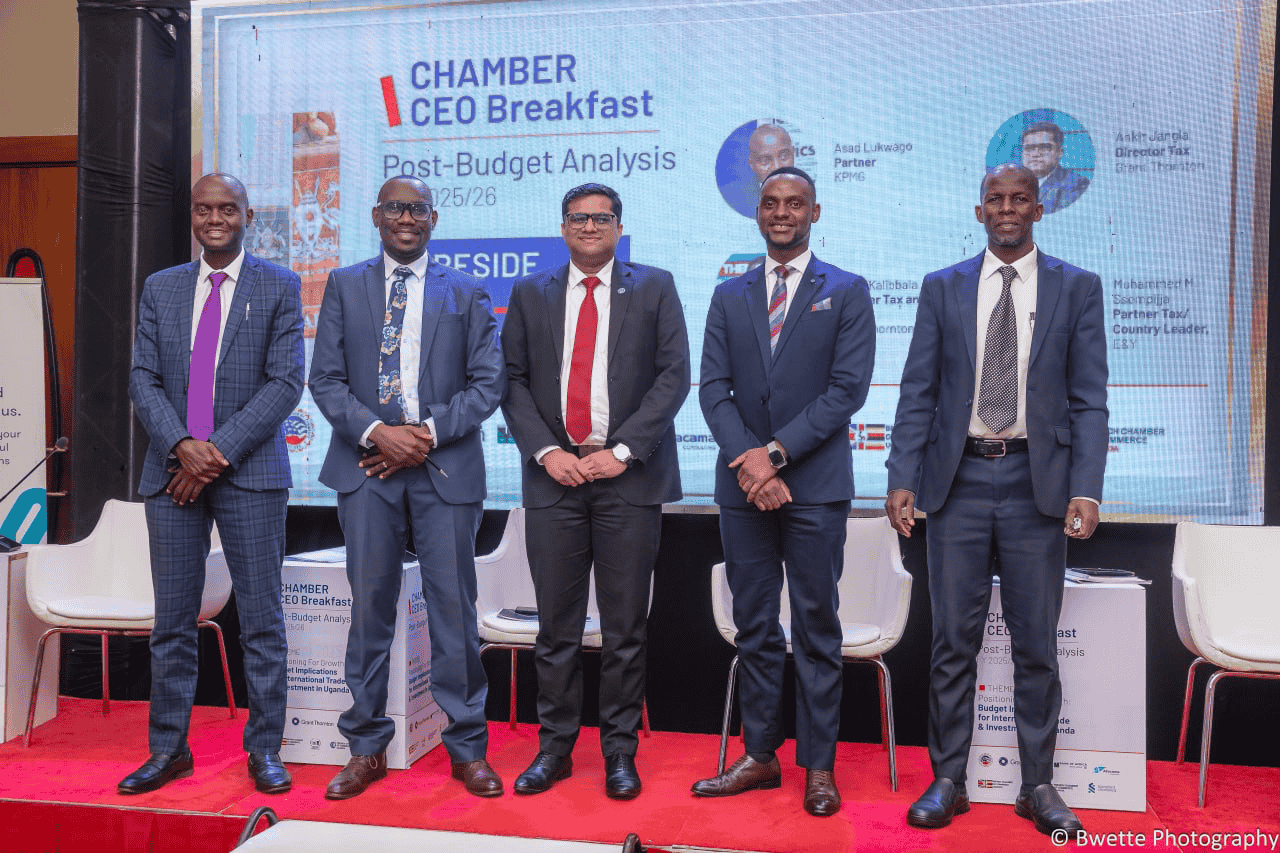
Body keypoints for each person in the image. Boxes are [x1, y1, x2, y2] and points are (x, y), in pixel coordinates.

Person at [885, 163, 1107, 835]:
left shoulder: (1078, 287)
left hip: (1037, 485)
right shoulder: (942, 287)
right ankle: (948, 780)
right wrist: (902, 475)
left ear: (1039, 209)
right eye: (995, 199)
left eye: (1019, 199)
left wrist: (1086, 487)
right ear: (979, 210)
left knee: (1036, 645)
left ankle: (1036, 785)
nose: (1006, 208)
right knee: (952, 642)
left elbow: (1089, 400)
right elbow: (918, 391)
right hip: (956, 483)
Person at [309, 176, 506, 799]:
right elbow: (326, 379)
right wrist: (378, 433)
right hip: (366, 469)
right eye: (395, 207)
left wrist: (423, 435)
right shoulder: (343, 285)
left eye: (418, 209)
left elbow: (488, 382)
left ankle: (467, 749)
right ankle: (366, 747)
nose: (406, 217)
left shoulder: (466, 290)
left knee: (453, 614)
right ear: (375, 215)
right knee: (369, 612)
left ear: (433, 219)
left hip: (444, 471)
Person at [693, 166, 876, 817]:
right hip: (742, 488)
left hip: (815, 487)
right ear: (757, 212)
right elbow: (712, 389)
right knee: (755, 625)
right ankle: (760, 755)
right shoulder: (730, 294)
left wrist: (772, 456)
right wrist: (750, 464)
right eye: (771, 202)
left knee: (817, 625)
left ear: (814, 212)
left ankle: (819, 767)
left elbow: (846, 391)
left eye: (794, 203)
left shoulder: (846, 291)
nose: (781, 213)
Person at [500, 182, 690, 800]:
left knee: (624, 629)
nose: (589, 227)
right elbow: (512, 381)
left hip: (628, 481)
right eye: (577, 218)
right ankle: (554, 749)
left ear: (618, 227)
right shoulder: (531, 292)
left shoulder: (655, 286)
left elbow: (673, 376)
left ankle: (619, 753)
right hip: (553, 480)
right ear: (562, 228)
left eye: (601, 218)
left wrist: (623, 452)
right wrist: (548, 452)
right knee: (555, 630)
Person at [124, 173, 304, 796]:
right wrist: (182, 446)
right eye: (204, 209)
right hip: (172, 472)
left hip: (249, 475)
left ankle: (265, 750)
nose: (215, 218)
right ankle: (168, 750)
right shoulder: (162, 287)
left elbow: (285, 383)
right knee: (172, 623)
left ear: (248, 216)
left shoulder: (279, 285)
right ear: (193, 216)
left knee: (261, 622)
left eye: (228, 208)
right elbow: (143, 378)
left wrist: (213, 453)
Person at [1020, 120, 1090, 213]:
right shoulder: (1013, 184)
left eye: (1044, 147)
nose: (1035, 154)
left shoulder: (1076, 184)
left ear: (1060, 152)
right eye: (1029, 148)